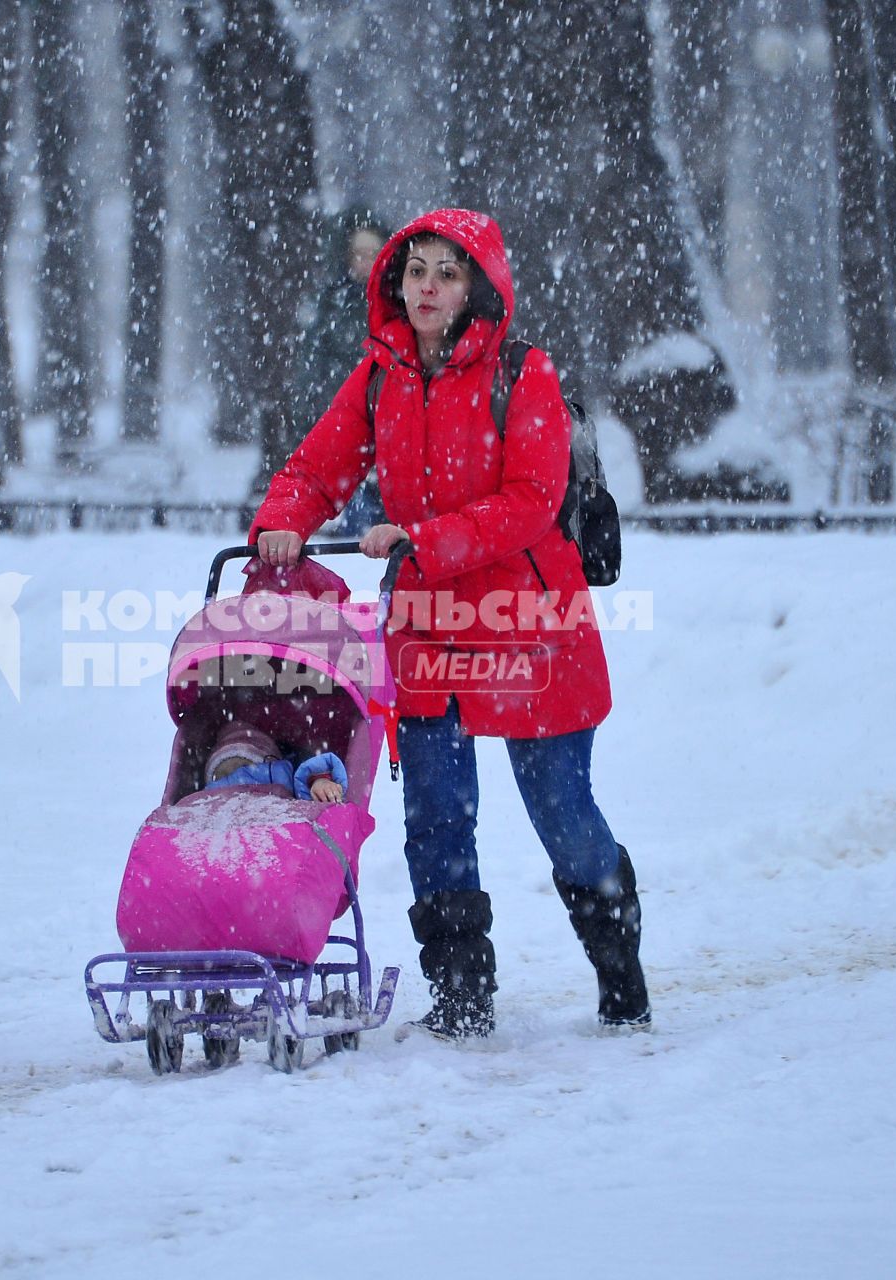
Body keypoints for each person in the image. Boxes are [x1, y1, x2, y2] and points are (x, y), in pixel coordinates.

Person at [249, 208, 650, 1039]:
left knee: (563, 816)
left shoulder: (523, 374)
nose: (425, 287)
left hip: (528, 620)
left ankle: (620, 975)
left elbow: (533, 504)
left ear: (478, 289)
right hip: (429, 624)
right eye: (415, 270)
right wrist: (283, 518)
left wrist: (423, 539)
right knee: (435, 815)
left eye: (446, 273)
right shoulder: (379, 375)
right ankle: (461, 998)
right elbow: (316, 469)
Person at [283, 209, 391, 531]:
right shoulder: (333, 303)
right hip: (349, 426)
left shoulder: (401, 300)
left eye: (372, 253)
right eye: (359, 253)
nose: (365, 261)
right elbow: (313, 366)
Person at [202, 719, 347, 804]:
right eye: (222, 774)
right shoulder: (209, 798)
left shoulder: (283, 778)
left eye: (244, 767)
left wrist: (319, 783)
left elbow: (306, 777)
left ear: (267, 762)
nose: (237, 777)